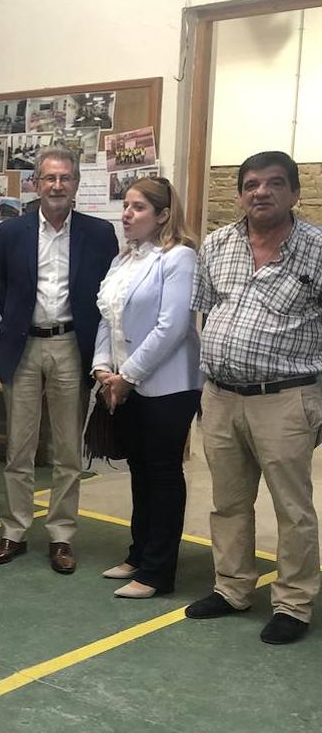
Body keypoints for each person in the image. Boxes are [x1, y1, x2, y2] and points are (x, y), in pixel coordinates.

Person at [185, 151, 322, 645]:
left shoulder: (316, 249)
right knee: (228, 502)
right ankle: (232, 587)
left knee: (292, 507)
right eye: (252, 184)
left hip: (285, 398)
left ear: (295, 192)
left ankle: (294, 602)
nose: (261, 192)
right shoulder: (218, 244)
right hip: (221, 396)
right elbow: (206, 311)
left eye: (274, 183)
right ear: (241, 193)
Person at [0, 146, 118, 573]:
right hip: (23, 346)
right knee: (18, 448)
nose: (57, 185)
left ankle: (61, 534)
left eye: (65, 178)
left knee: (67, 451)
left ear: (76, 184)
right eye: (49, 178)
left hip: (70, 345)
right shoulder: (11, 233)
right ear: (36, 183)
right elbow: (2, 288)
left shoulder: (100, 234)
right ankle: (14, 529)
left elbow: (106, 295)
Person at [91, 177, 201, 598]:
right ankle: (138, 555)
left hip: (168, 386)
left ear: (163, 215)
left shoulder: (179, 257)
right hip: (125, 382)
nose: (126, 214)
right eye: (126, 205)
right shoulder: (123, 259)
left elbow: (172, 327)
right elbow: (108, 317)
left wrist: (128, 375)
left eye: (137, 207)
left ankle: (158, 572)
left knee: (163, 473)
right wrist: (103, 367)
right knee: (140, 471)